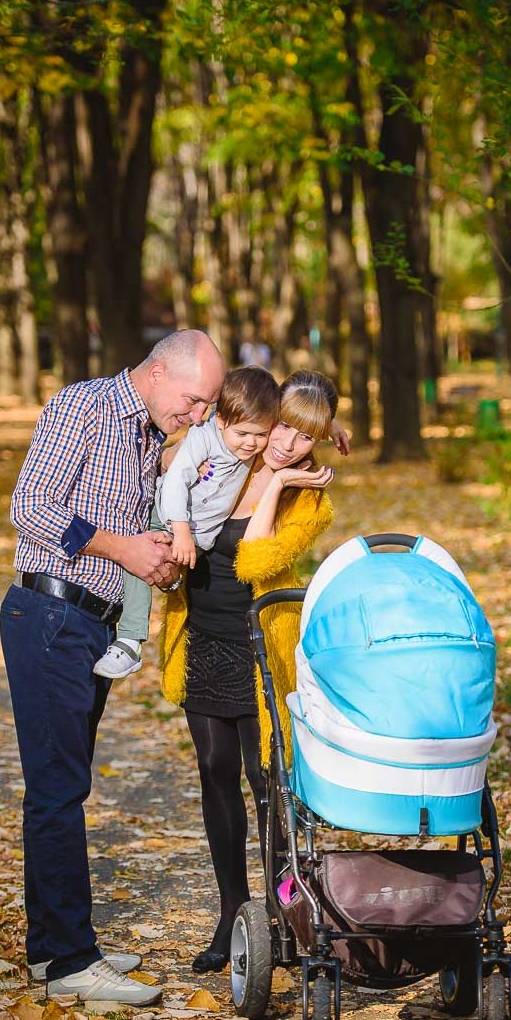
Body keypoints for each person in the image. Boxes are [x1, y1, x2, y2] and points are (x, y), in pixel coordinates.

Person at [0, 329, 225, 1005]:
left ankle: (50, 952)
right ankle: (72, 963)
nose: (197, 416)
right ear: (158, 372)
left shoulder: (145, 438)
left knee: (61, 787)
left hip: (87, 623)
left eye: (206, 406)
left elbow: (124, 537)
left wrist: (151, 556)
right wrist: (124, 551)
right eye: (193, 400)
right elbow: (30, 508)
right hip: (47, 618)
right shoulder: (87, 407)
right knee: (58, 792)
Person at [160, 370, 344, 973]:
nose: (288, 445)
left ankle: (281, 913)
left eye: (304, 438)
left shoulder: (310, 495)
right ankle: (231, 913)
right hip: (203, 641)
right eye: (284, 429)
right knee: (215, 775)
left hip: (260, 646)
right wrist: (318, 427)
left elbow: (254, 559)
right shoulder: (226, 450)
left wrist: (279, 483)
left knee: (269, 785)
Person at [92, 366, 281, 680]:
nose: (250, 443)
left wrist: (331, 427)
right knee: (143, 562)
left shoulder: (257, 438)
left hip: (201, 537)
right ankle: (130, 640)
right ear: (221, 420)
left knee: (176, 579)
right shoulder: (204, 437)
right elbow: (177, 479)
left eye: (260, 435)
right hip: (168, 517)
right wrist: (179, 530)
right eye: (242, 433)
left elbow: (297, 408)